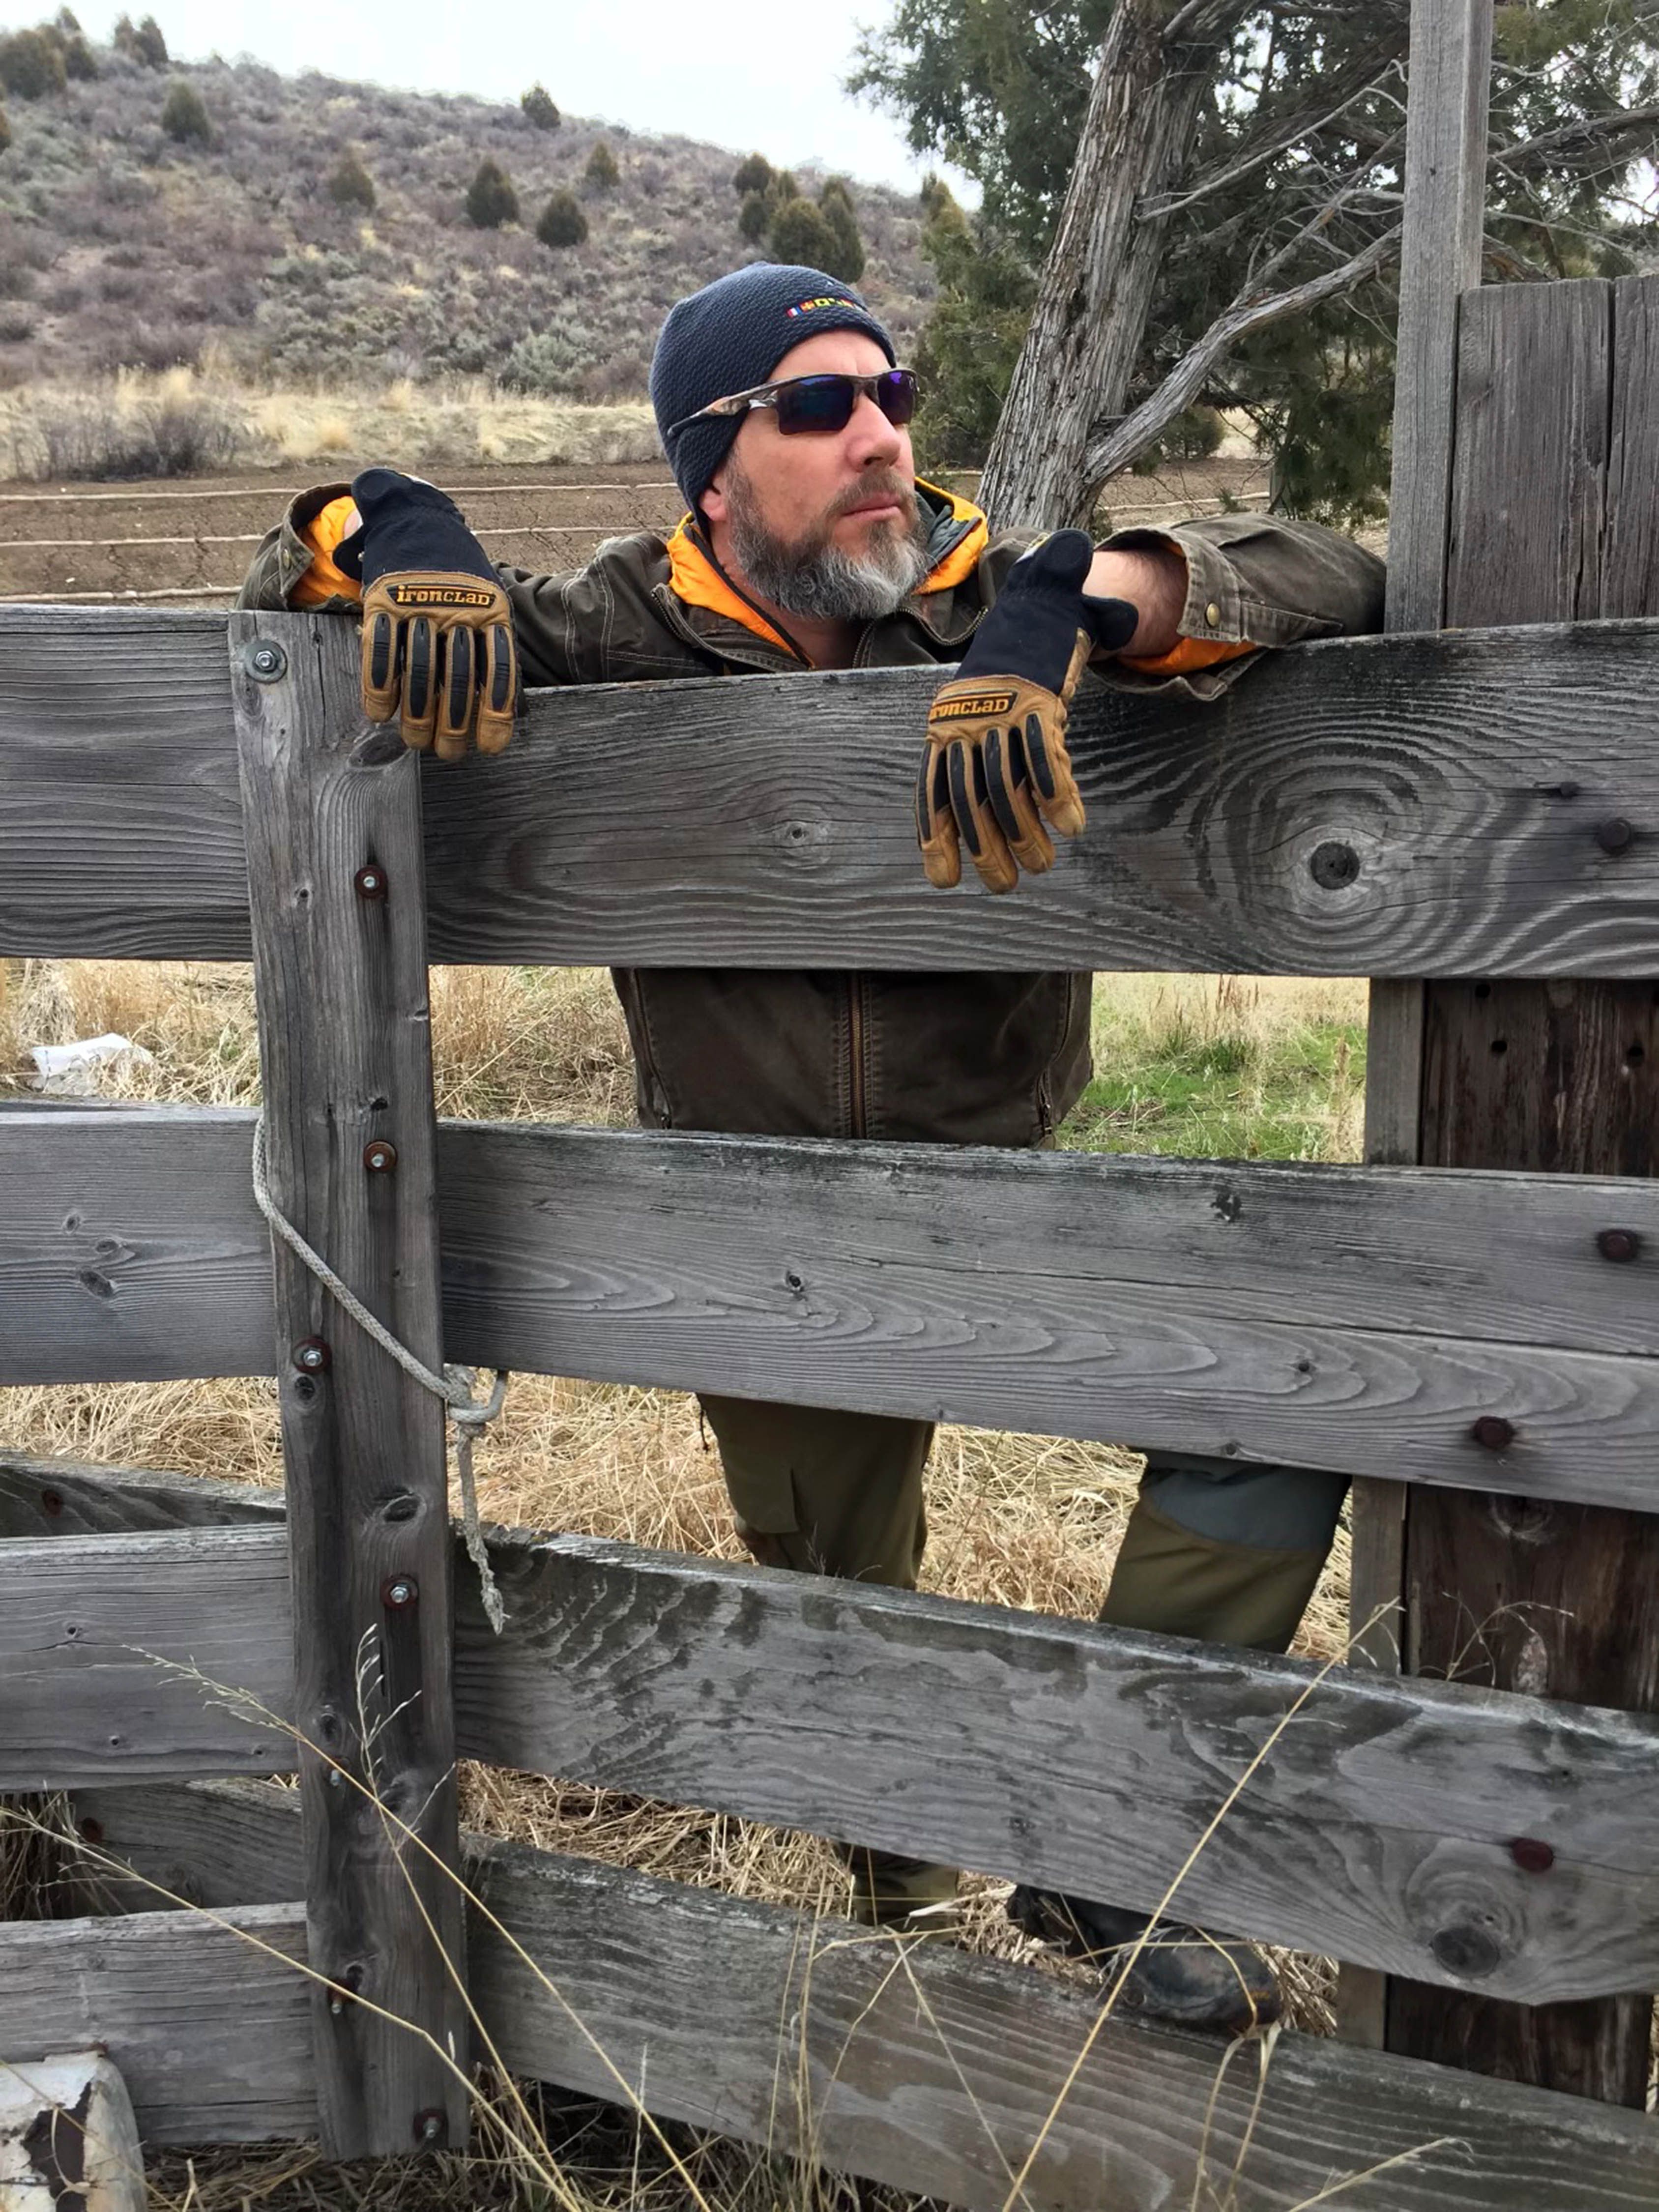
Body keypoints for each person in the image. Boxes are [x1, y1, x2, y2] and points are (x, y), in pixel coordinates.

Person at [239, 261, 1385, 2033]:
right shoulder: (625, 627)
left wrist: (1095, 596)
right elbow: (299, 574)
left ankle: (1107, 1838)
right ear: (712, 469)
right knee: (846, 1601)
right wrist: (391, 523)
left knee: (1299, 1383)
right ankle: (912, 1964)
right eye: (817, 408)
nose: (879, 438)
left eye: (893, 396)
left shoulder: (992, 591)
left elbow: (1335, 572)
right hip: (746, 1232)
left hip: (1006, 1183)